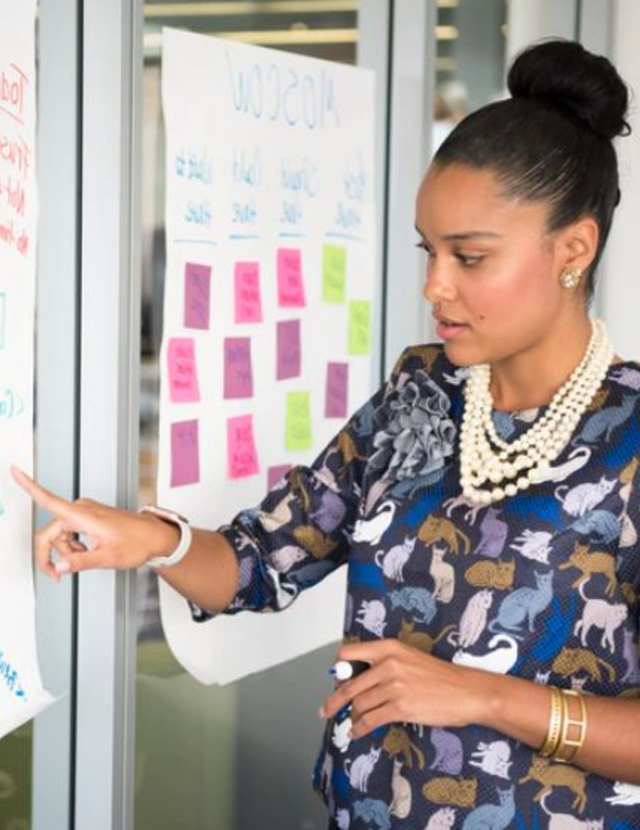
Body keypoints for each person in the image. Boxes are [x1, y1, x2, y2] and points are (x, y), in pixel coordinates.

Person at [13, 39, 640, 828]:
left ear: (572, 251)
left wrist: (484, 695)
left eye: (470, 257)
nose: (435, 286)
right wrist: (148, 540)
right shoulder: (422, 392)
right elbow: (260, 561)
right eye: (429, 251)